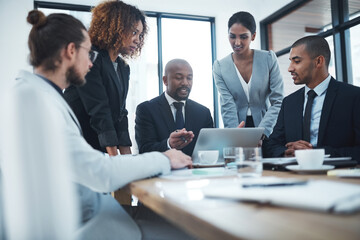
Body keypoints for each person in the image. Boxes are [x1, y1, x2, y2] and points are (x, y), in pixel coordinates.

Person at [2, 9, 193, 239]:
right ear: (71, 51)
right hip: (80, 220)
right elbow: (99, 172)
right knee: (184, 229)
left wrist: (133, 161)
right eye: (88, 55)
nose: (91, 64)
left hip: (85, 207)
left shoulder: (38, 94)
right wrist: (164, 158)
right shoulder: (36, 100)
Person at [64, 0, 146, 156]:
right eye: (134, 32)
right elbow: (99, 110)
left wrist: (127, 161)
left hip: (100, 146)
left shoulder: (123, 67)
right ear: (115, 28)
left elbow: (121, 113)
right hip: (78, 143)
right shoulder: (89, 58)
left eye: (140, 35)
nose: (137, 39)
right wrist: (115, 160)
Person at [263, 35, 360, 161]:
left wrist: (316, 152)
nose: (290, 68)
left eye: (297, 61)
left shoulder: (353, 97)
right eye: (290, 61)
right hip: (294, 174)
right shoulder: (289, 102)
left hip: (336, 176)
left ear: (319, 61)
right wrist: (286, 152)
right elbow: (272, 145)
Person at [213, 11, 283, 137]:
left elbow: (278, 100)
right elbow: (227, 105)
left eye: (243, 37)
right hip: (237, 128)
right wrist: (236, 135)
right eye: (232, 36)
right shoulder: (220, 67)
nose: (237, 42)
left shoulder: (268, 59)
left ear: (253, 36)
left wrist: (262, 132)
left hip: (268, 127)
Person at [135, 59, 214, 157]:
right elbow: (144, 149)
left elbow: (211, 148)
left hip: (195, 170)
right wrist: (169, 144)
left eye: (189, 78)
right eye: (179, 78)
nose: (185, 83)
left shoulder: (203, 113)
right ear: (165, 80)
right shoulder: (146, 110)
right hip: (164, 170)